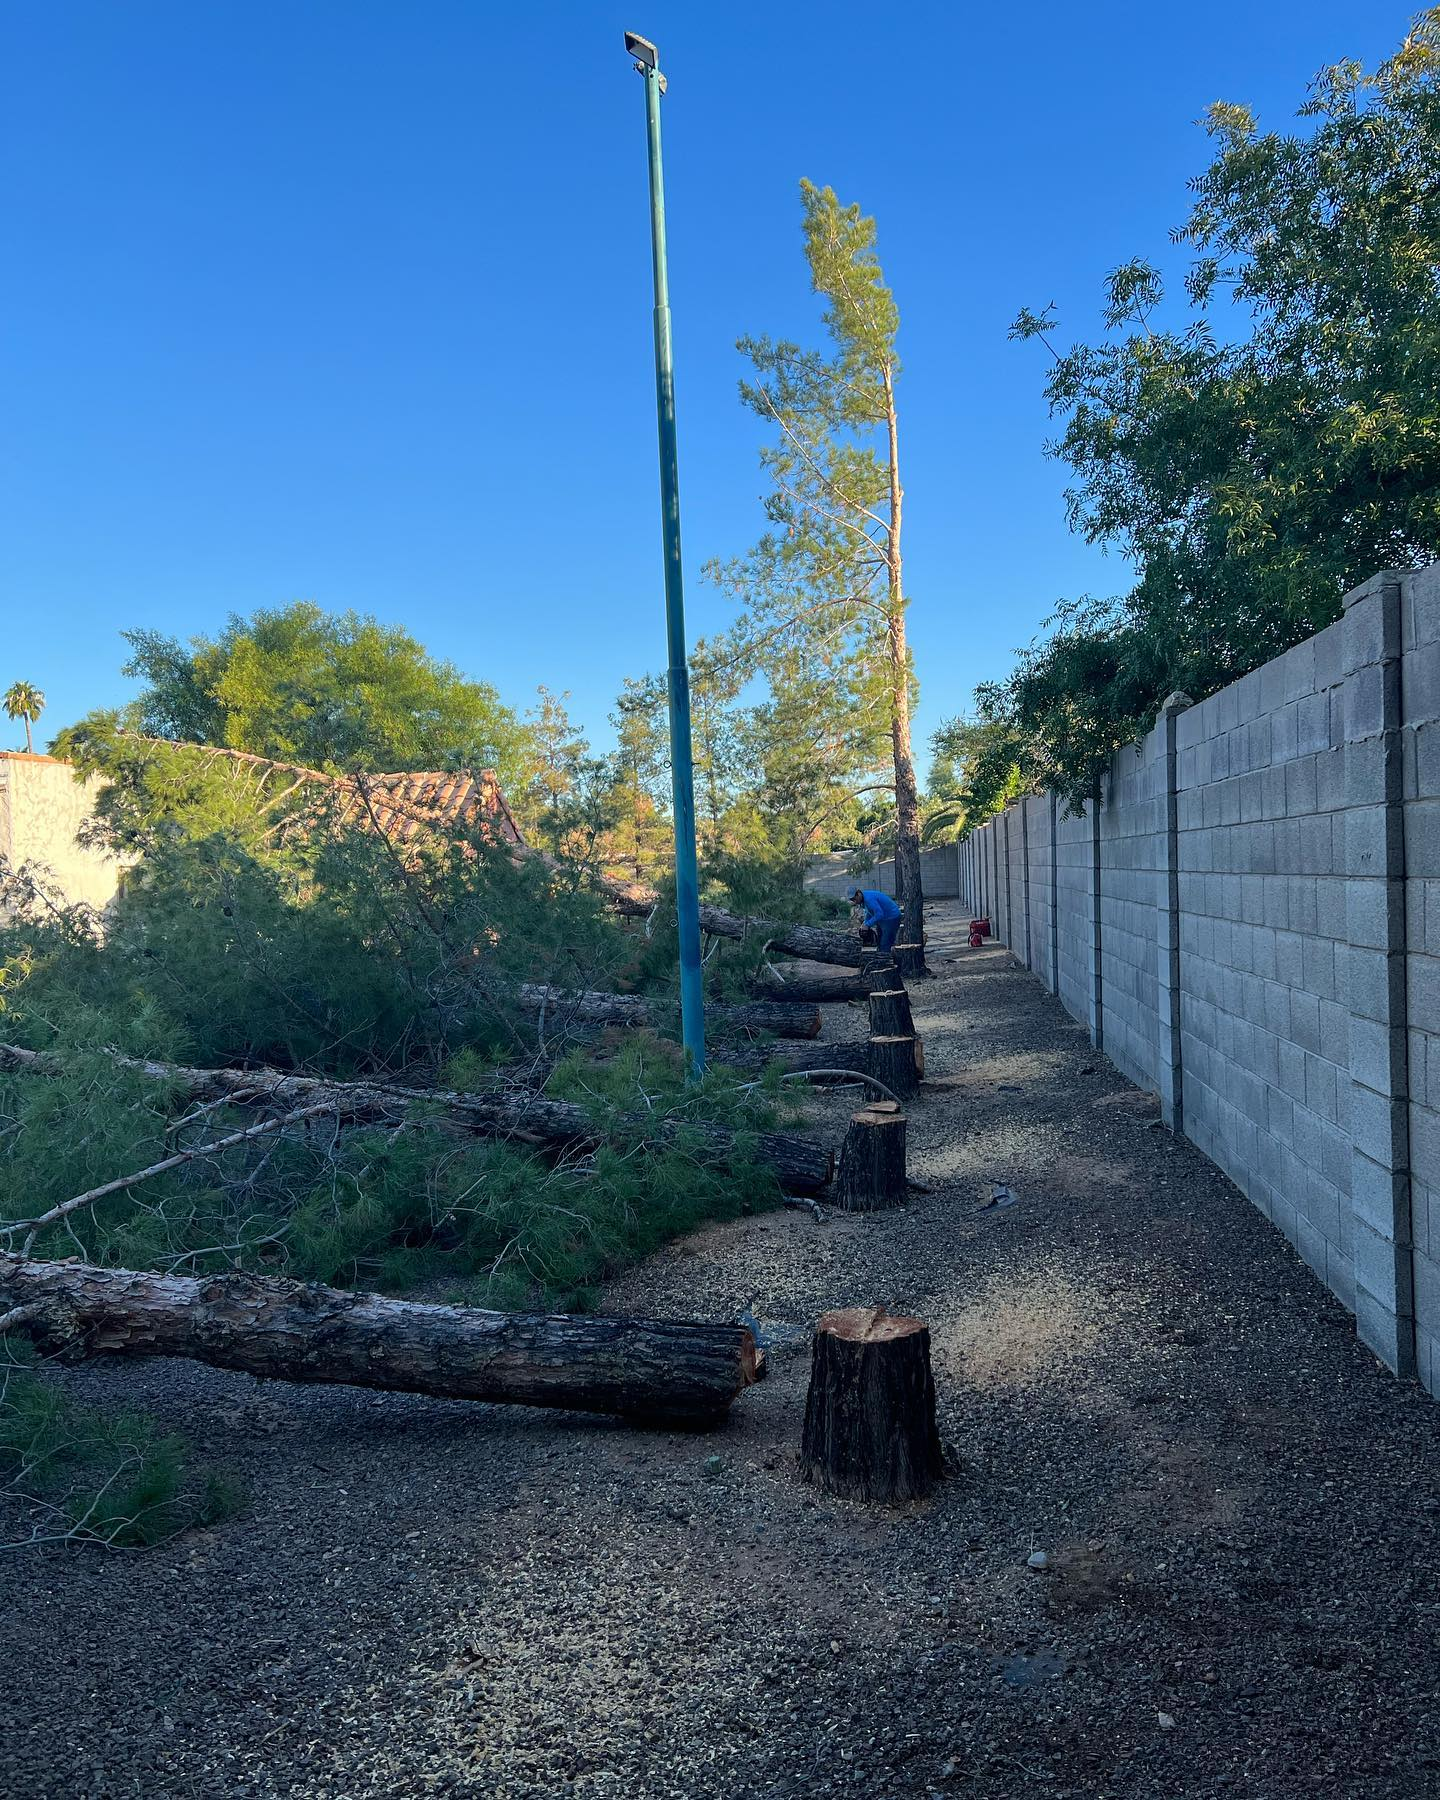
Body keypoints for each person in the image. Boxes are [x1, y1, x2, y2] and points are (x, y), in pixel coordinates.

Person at [849, 886, 902, 955]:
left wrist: (868, 924)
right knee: (879, 942)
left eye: (854, 899)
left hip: (891, 917)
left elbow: (879, 914)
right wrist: (865, 923)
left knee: (885, 943)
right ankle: (881, 957)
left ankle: (885, 961)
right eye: (852, 900)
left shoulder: (869, 899)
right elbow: (870, 912)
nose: (855, 902)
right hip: (883, 918)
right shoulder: (864, 899)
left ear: (858, 894)